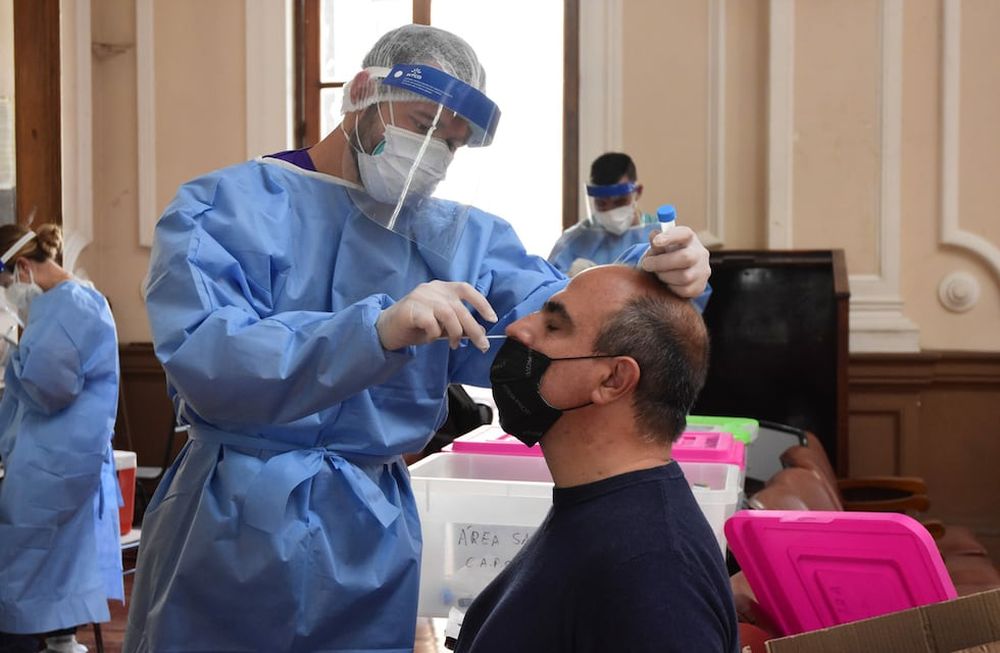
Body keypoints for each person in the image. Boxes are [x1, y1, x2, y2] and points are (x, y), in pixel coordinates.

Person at [125, 24, 711, 653]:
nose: (433, 151)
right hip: (231, 517)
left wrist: (659, 273)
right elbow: (210, 359)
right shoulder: (221, 208)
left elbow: (563, 320)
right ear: (359, 93)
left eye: (453, 143)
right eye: (422, 121)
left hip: (368, 530)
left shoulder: (456, 239)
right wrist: (375, 330)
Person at [456, 264, 737, 652]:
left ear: (613, 380)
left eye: (554, 327)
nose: (520, 329)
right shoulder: (596, 507)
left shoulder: (655, 570)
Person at [0, 224, 123, 653]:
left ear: (20, 268)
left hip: (57, 459)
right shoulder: (64, 303)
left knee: (33, 552)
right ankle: (56, 639)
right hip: (54, 454)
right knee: (53, 558)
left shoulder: (72, 304)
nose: (9, 294)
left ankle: (36, 640)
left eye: (5, 285)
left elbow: (51, 388)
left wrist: (9, 353)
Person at [549, 152, 662, 277]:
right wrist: (568, 281)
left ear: (638, 192)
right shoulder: (573, 240)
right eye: (602, 203)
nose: (611, 211)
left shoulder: (659, 235)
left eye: (620, 202)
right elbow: (547, 288)